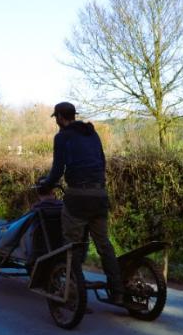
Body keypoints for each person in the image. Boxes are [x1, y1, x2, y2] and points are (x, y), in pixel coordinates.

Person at [42, 102, 124, 304]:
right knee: (104, 245)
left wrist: (46, 185)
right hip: (100, 195)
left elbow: (58, 170)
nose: (57, 121)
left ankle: (74, 291)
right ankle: (118, 292)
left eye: (57, 118)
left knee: (70, 245)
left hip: (77, 197)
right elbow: (102, 162)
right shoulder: (92, 134)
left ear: (61, 117)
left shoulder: (62, 137)